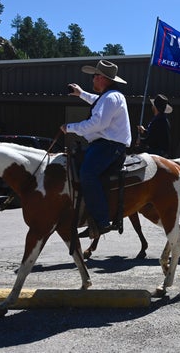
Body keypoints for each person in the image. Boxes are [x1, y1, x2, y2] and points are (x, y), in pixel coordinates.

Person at [60, 60, 132, 238]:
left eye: (94, 76)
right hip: (107, 145)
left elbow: (98, 123)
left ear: (102, 78)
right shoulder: (110, 97)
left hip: (109, 146)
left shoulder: (110, 97)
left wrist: (70, 127)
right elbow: (97, 102)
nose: (92, 80)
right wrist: (81, 94)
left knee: (88, 174)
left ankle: (101, 221)